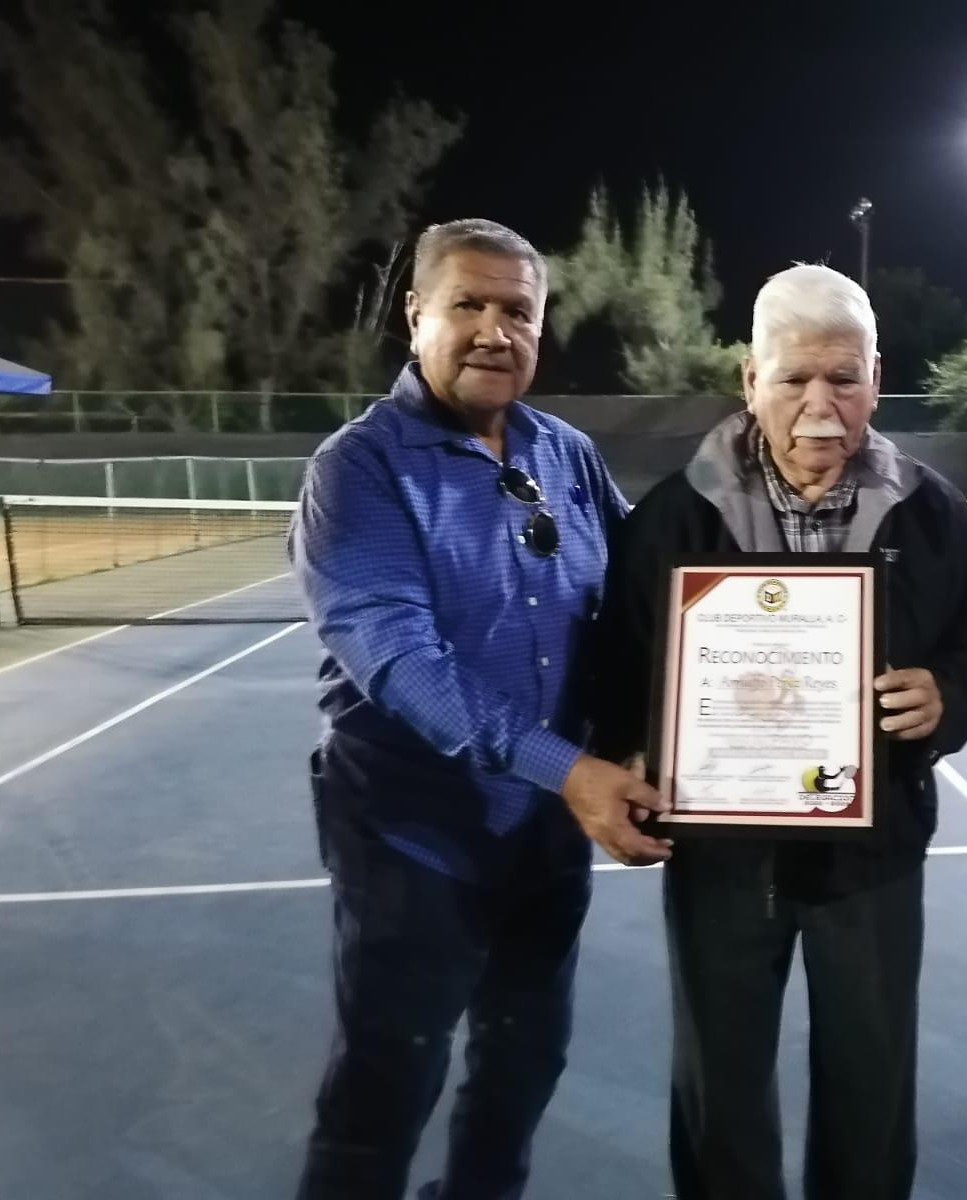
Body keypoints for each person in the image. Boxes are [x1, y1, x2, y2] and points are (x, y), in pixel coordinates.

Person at [591, 263, 967, 1200]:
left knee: (871, 1093)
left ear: (876, 375)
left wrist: (947, 696)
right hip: (719, 857)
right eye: (795, 379)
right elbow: (618, 663)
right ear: (752, 379)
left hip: (874, 855)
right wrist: (625, 753)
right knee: (722, 1094)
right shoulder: (671, 517)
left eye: (845, 377)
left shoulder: (935, 513)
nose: (821, 405)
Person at [289, 218, 669, 1200]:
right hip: (413, 841)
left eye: (519, 312)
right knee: (384, 1092)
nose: (495, 332)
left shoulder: (569, 455)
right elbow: (400, 661)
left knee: (520, 1073)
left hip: (543, 843)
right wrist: (572, 769)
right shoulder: (358, 469)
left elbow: (638, 610)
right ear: (416, 316)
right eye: (470, 305)